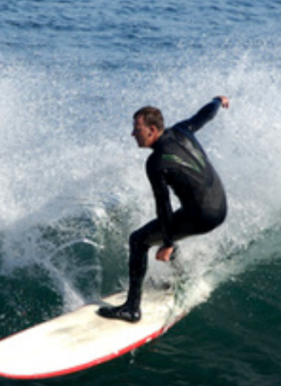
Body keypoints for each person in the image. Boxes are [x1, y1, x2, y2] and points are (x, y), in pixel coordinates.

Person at [98, 95, 231, 322]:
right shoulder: (182, 130)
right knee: (173, 226)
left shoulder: (156, 162)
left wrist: (167, 244)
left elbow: (164, 207)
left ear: (151, 130)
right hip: (220, 207)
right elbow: (205, 114)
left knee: (138, 240)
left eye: (136, 129)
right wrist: (218, 101)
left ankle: (131, 308)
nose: (132, 134)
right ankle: (178, 275)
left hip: (201, 215)